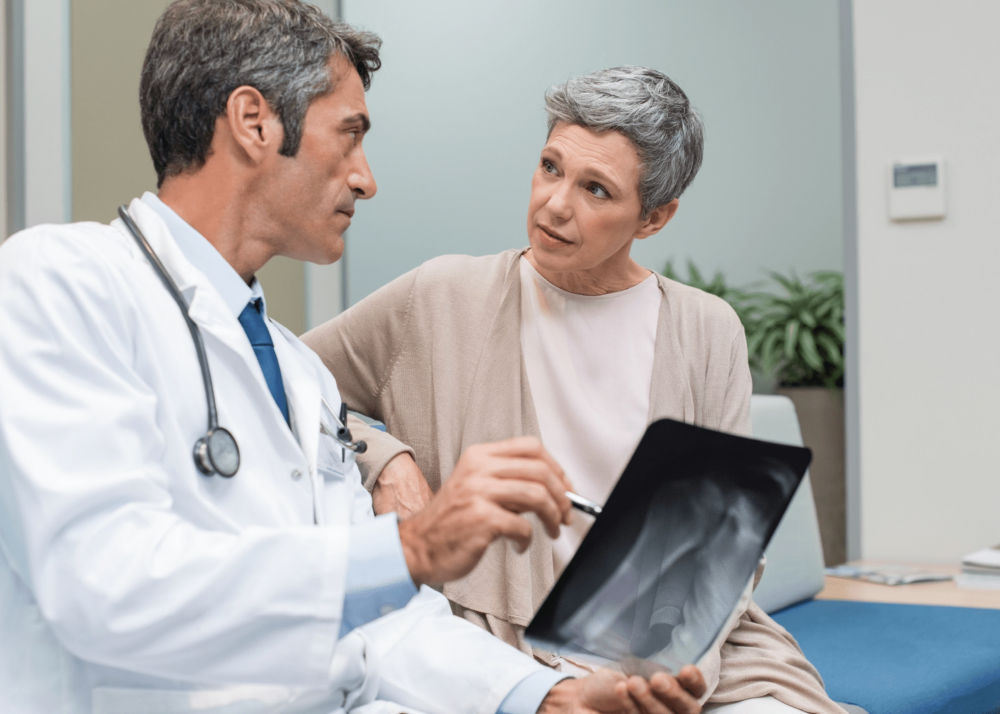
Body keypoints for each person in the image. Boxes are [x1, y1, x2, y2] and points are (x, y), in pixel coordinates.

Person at [0, 4, 707, 713]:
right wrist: (408, 548)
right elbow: (104, 586)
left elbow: (381, 624)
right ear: (254, 123)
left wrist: (544, 696)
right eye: (350, 136)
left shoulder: (299, 374)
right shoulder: (63, 282)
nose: (366, 179)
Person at [303, 67, 846, 713]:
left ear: (654, 218)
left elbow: (722, 540)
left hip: (676, 648)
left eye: (596, 189)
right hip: (500, 644)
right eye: (550, 166)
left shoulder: (706, 330)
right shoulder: (441, 296)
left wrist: (657, 670)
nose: (556, 203)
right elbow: (279, 377)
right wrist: (381, 456)